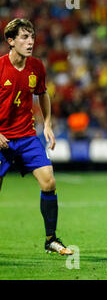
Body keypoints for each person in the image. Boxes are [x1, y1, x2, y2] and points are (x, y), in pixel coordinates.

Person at [0, 18, 73, 255]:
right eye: (24, 37)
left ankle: (51, 239)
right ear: (10, 41)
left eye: (32, 36)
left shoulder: (37, 66)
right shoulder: (0, 67)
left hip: (26, 136)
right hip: (1, 138)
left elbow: (43, 94)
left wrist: (48, 124)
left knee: (49, 181)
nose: (30, 41)